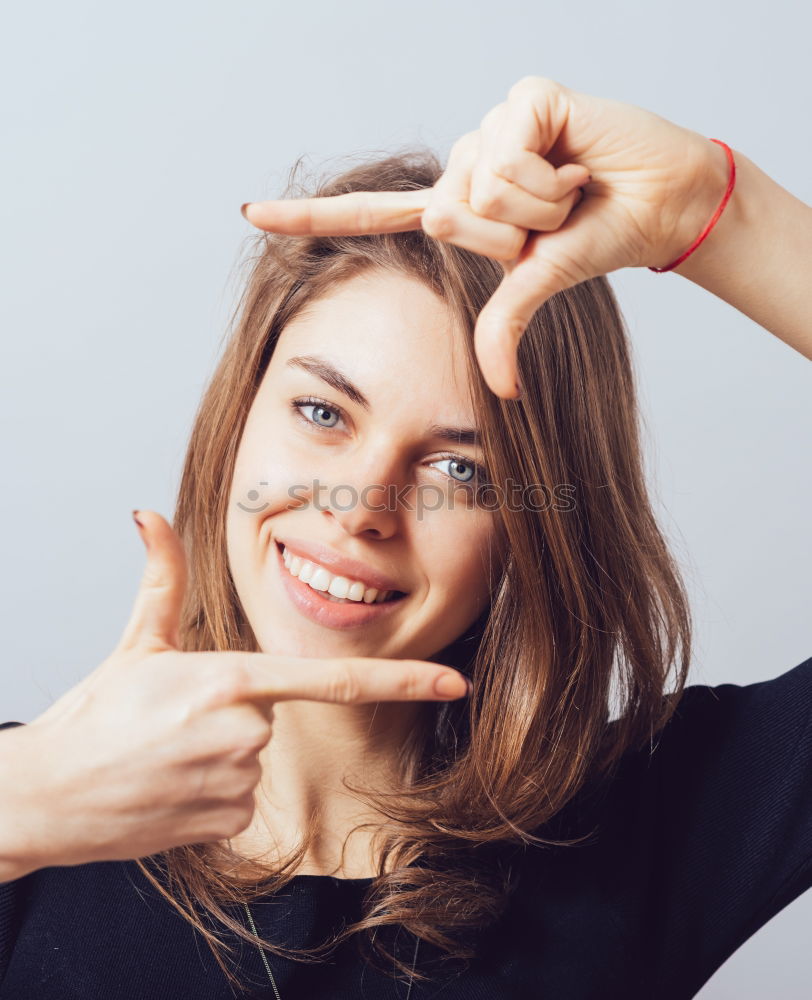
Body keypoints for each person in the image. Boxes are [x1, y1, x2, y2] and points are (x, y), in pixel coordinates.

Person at [0, 75, 809, 1000]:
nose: (361, 506)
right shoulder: (28, 810)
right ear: (237, 423)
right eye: (321, 411)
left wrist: (714, 210)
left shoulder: (648, 828)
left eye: (460, 470)